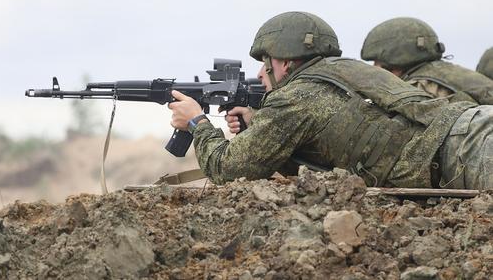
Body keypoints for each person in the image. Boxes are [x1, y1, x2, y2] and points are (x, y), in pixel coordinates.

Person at [168, 12, 493, 190]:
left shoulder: (293, 99)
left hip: (461, 154)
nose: (261, 70)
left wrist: (197, 122)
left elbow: (227, 170)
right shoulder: (347, 68)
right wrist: (259, 124)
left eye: (266, 59)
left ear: (284, 60)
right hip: (473, 122)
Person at [360, 17, 493, 105]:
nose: (375, 69)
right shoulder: (447, 73)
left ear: (395, 63)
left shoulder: (420, 87)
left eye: (379, 63)